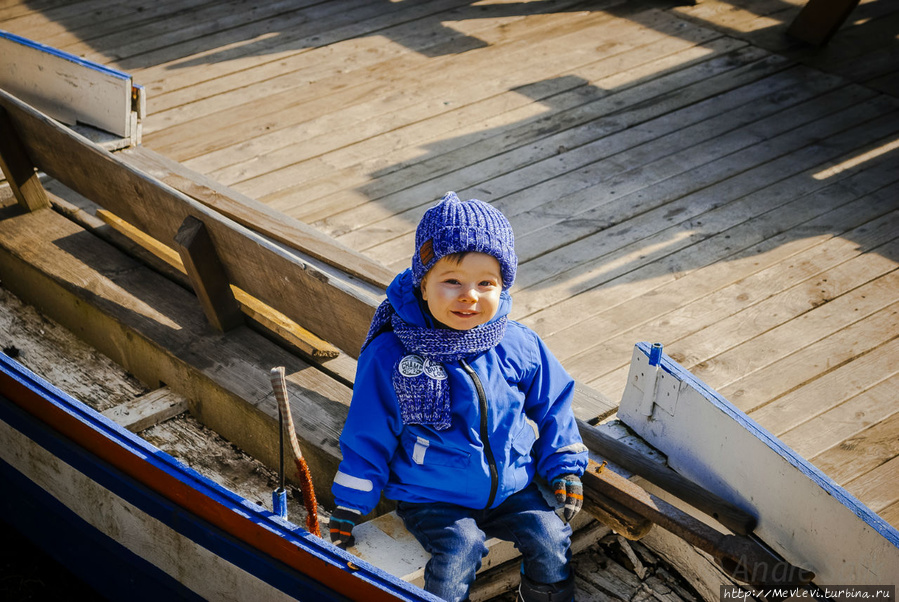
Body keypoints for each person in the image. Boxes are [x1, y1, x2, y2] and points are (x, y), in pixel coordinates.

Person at [330, 191, 588, 602]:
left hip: (512, 485)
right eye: (452, 281)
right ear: (424, 283)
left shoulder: (517, 343)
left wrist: (563, 467)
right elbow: (368, 428)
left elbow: (555, 404)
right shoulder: (393, 354)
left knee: (551, 538)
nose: (469, 295)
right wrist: (350, 502)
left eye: (486, 283)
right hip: (432, 493)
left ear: (503, 287)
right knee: (459, 551)